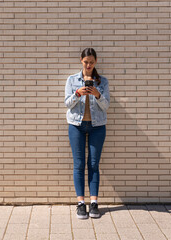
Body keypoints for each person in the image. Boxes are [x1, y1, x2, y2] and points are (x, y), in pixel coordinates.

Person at [64, 48, 110, 219]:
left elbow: (106, 106)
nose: (89, 65)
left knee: (93, 164)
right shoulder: (72, 80)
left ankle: (94, 203)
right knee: (78, 163)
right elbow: (67, 103)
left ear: (95, 62)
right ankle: (81, 204)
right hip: (76, 125)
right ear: (81, 61)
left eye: (91, 62)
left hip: (97, 126)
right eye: (86, 62)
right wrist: (77, 93)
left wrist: (98, 95)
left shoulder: (102, 81)